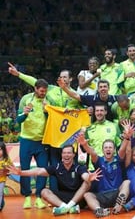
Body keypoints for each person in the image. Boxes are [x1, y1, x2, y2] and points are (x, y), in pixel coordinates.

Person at [8, 145, 102, 215]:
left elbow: (85, 176)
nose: (66, 155)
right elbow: (39, 171)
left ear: (73, 155)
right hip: (62, 198)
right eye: (64, 153)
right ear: (61, 155)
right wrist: (21, 173)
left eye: (69, 153)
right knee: (44, 191)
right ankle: (66, 208)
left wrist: (89, 178)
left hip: (77, 198)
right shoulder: (57, 167)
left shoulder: (79, 167)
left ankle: (67, 207)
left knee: (87, 183)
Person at [78, 126, 132, 218]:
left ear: (114, 150)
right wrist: (85, 145)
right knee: (87, 195)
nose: (108, 149)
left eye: (110, 147)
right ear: (103, 150)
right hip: (102, 196)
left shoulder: (118, 159)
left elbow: (122, 149)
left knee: (127, 182)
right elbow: (92, 153)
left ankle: (119, 205)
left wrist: (127, 138)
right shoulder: (99, 160)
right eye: (106, 147)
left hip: (116, 193)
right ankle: (99, 210)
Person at [15, 78, 49, 209]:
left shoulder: (48, 101)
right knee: (24, 169)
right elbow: (18, 120)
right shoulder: (26, 100)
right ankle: (27, 197)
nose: (43, 93)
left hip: (42, 141)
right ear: (35, 89)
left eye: (45, 91)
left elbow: (51, 120)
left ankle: (39, 197)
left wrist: (47, 112)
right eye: (41, 91)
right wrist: (25, 113)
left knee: (42, 170)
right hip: (27, 140)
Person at [0, 142, 13, 211]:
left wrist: (7, 171)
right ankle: (2, 204)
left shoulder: (6, 159)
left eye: (0, 150)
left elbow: (12, 168)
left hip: (2, 179)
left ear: (4, 150)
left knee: (0, 192)